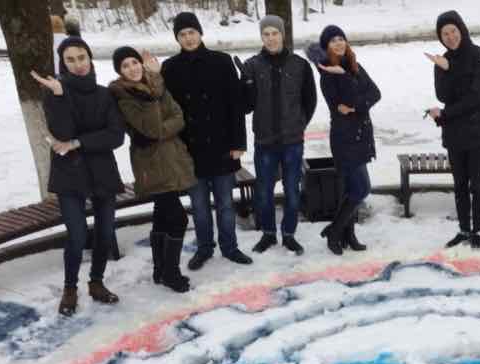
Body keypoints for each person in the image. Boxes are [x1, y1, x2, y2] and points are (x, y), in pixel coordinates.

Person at [31, 36, 125, 316]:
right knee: (77, 235)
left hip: (102, 172)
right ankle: (70, 288)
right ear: (63, 63)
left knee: (105, 232)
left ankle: (96, 282)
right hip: (69, 175)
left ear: (90, 58)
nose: (78, 64)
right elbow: (62, 133)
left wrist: (78, 143)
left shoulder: (104, 95)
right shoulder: (55, 94)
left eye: (81, 57)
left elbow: (116, 136)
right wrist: (60, 97)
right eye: (70, 60)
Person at [161, 12, 253, 270]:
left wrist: (239, 144)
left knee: (225, 204)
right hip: (190, 152)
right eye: (182, 34)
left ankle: (230, 247)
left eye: (192, 32)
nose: (188, 38)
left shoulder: (221, 61)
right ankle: (204, 248)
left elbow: (235, 106)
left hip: (222, 146)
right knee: (199, 206)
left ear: (200, 33)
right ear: (177, 38)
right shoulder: (170, 68)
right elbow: (167, 110)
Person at [109, 47, 195, 293]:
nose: (132, 68)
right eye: (125, 66)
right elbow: (151, 128)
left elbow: (178, 116)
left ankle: (160, 270)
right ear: (120, 71)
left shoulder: (154, 86)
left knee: (162, 216)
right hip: (151, 165)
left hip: (170, 159)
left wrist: (161, 130)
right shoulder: (124, 95)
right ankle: (171, 273)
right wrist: (161, 126)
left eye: (134, 62)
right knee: (178, 218)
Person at [242, 15, 318, 255]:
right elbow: (246, 106)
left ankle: (289, 234)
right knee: (264, 192)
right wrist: (246, 85)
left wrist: (298, 124)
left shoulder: (300, 65)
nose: (271, 38)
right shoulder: (252, 66)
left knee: (292, 191)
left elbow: (310, 101)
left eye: (275, 33)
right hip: (264, 141)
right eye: (266, 34)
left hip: (292, 142)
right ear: (261, 37)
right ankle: (268, 233)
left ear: (282, 35)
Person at [308, 25, 381, 255]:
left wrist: (356, 104)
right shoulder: (327, 75)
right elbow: (342, 105)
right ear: (326, 47)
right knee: (362, 189)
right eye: (333, 41)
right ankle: (334, 230)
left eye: (341, 38)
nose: (339, 43)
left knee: (351, 190)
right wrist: (344, 78)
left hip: (362, 135)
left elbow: (375, 94)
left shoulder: (353, 65)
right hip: (345, 139)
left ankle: (348, 235)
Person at [425, 10, 480, 250]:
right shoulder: (442, 61)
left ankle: (478, 231)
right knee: (460, 185)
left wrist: (451, 68)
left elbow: (476, 96)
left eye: (453, 31)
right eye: (445, 34)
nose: (450, 37)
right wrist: (444, 69)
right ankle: (464, 229)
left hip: (477, 129)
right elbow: (444, 95)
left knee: (477, 184)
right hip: (454, 131)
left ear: (461, 29)